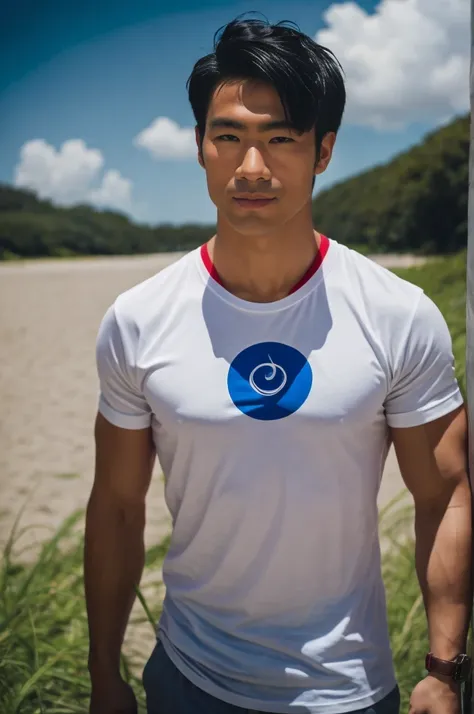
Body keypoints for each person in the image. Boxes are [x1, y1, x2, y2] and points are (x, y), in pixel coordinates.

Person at [85, 17, 472, 714]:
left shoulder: (397, 313)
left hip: (348, 686)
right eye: (228, 137)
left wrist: (444, 670)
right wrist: (102, 673)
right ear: (201, 147)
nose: (252, 167)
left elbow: (444, 496)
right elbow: (115, 507)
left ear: (323, 151)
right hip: (187, 677)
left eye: (282, 139)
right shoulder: (138, 318)